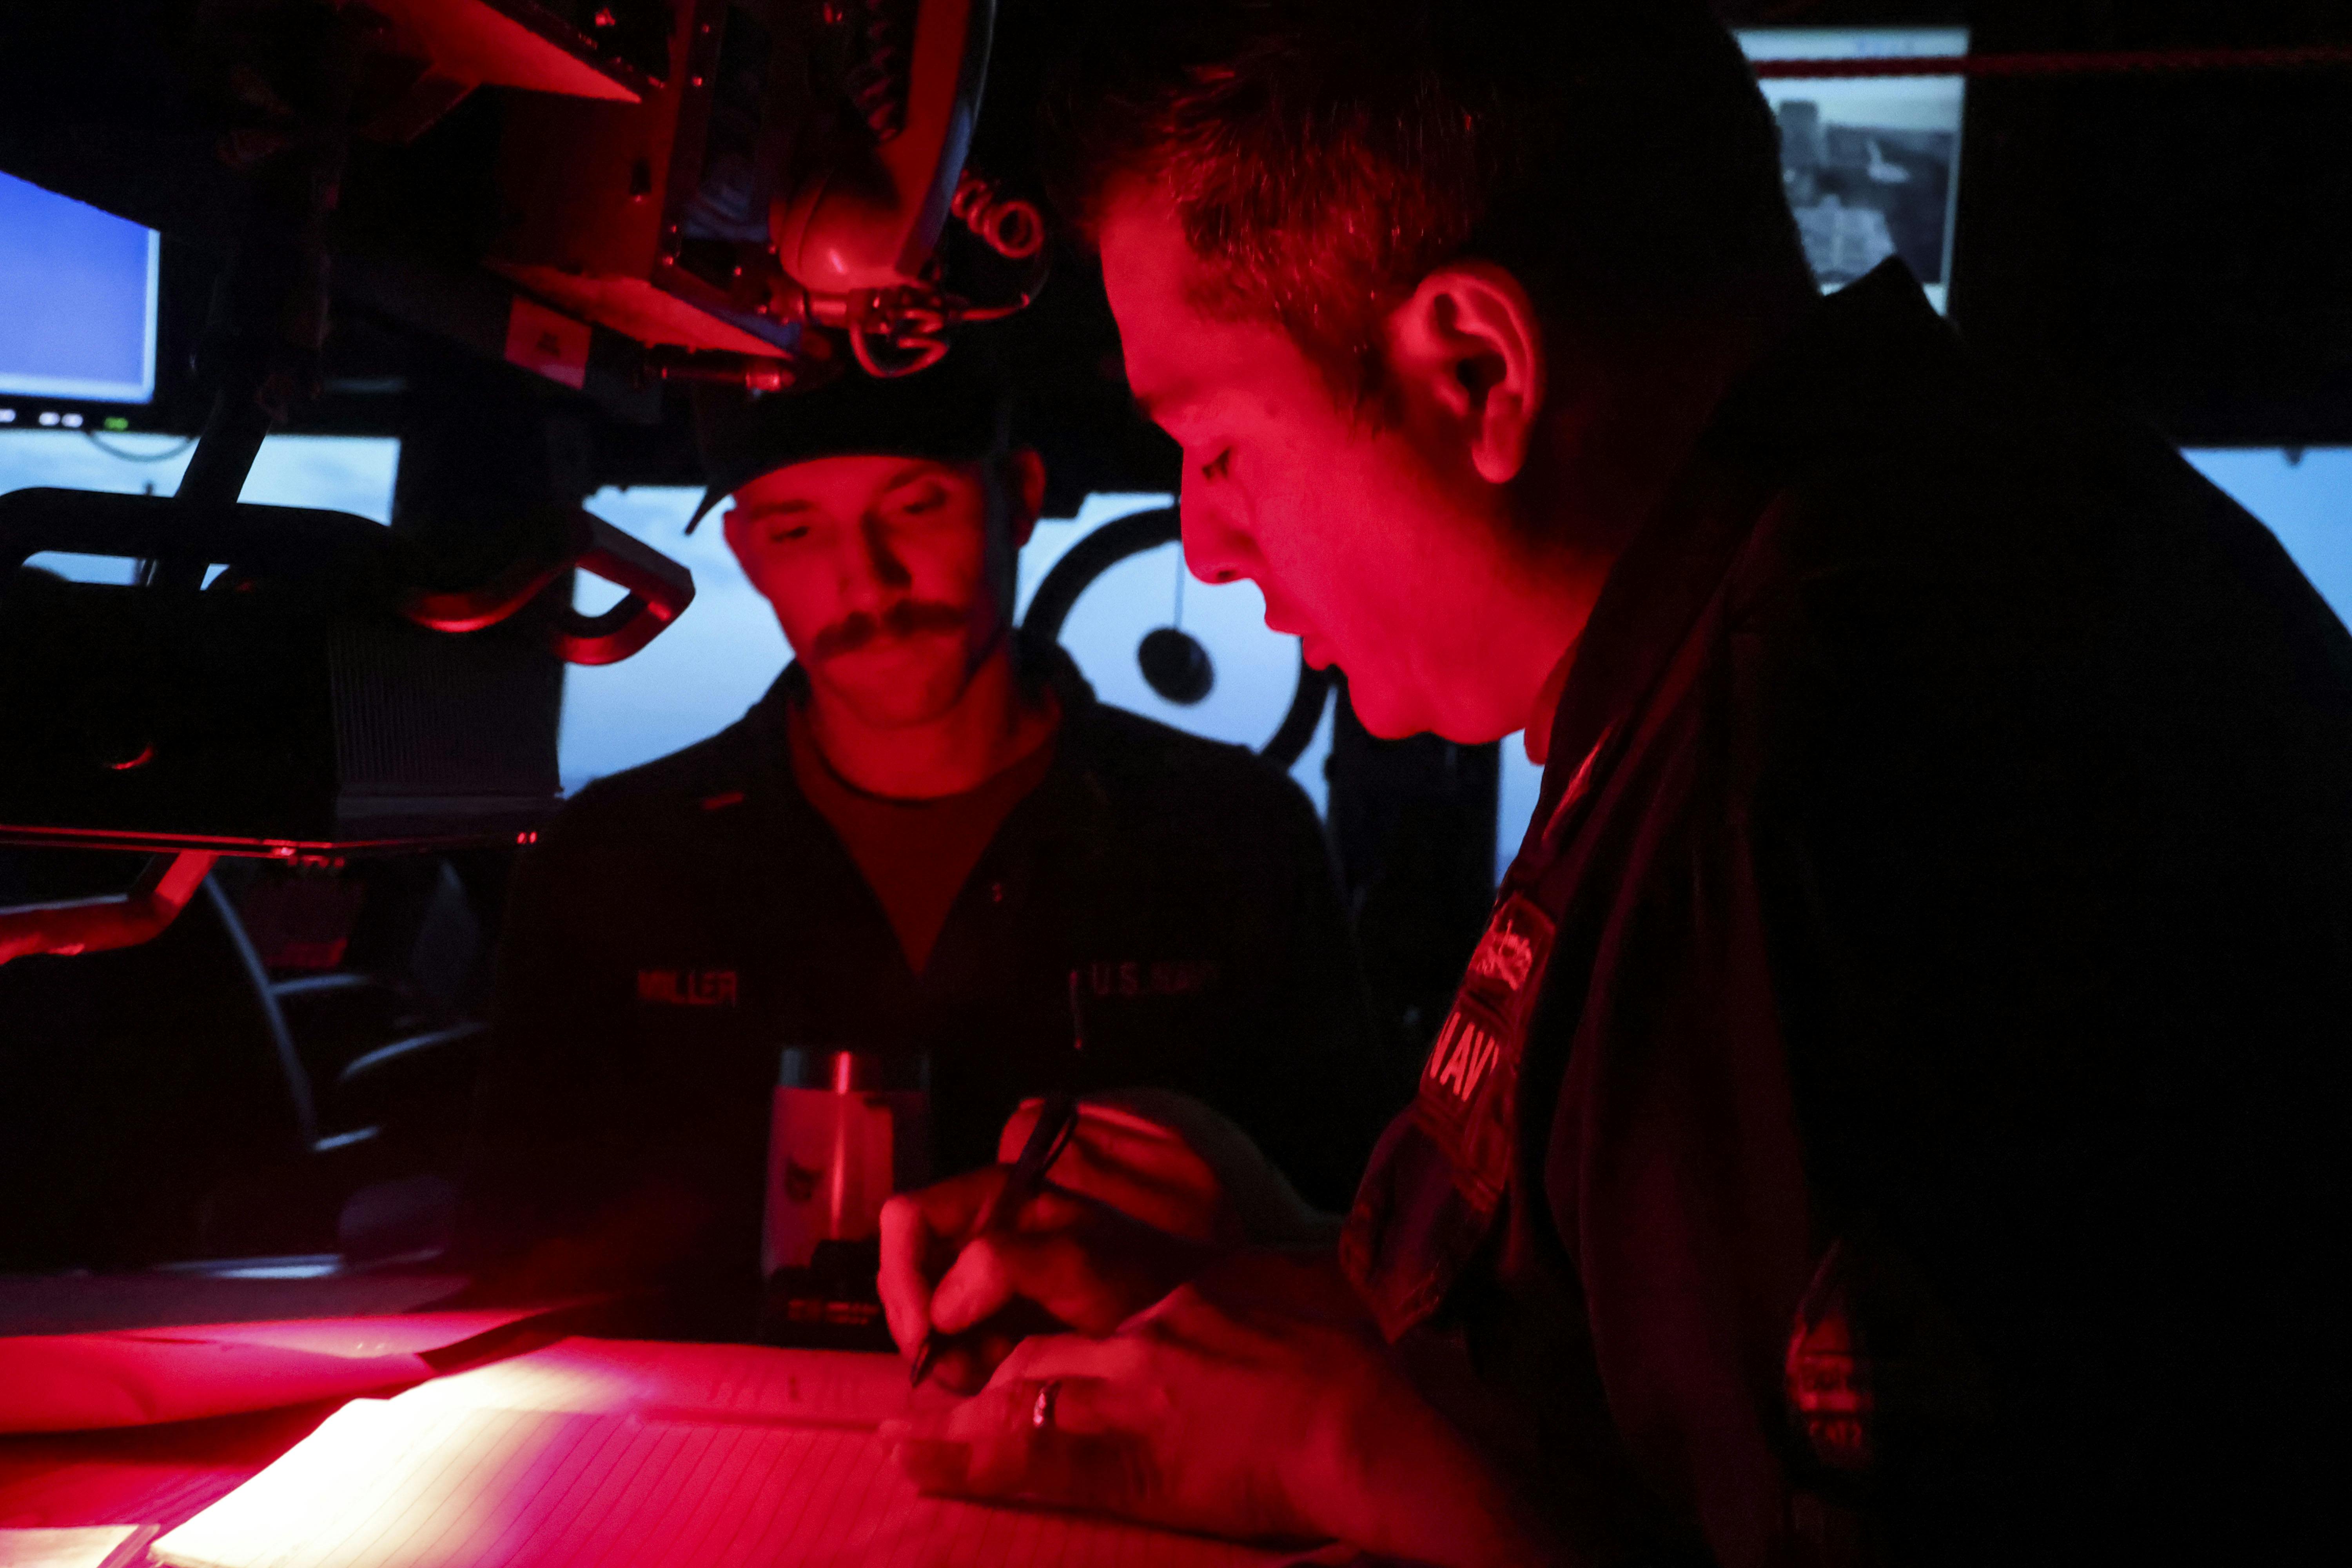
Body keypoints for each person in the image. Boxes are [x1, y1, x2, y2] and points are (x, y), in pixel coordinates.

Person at [875, 4, 2352, 1564]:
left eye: (1220, 445)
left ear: (1476, 369)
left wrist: (1335, 1440)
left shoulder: (1828, 753)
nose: (1209, 544)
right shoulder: (1923, 538)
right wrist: (1299, 1271)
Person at [461, 349, 1388, 1344]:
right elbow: (508, 1251)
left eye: (915, 507)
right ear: (745, 550)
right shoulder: (611, 859)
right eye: (796, 529)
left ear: (1020, 498)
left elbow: (1358, 1259)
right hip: (697, 1467)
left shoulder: (1236, 835)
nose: (868, 578)